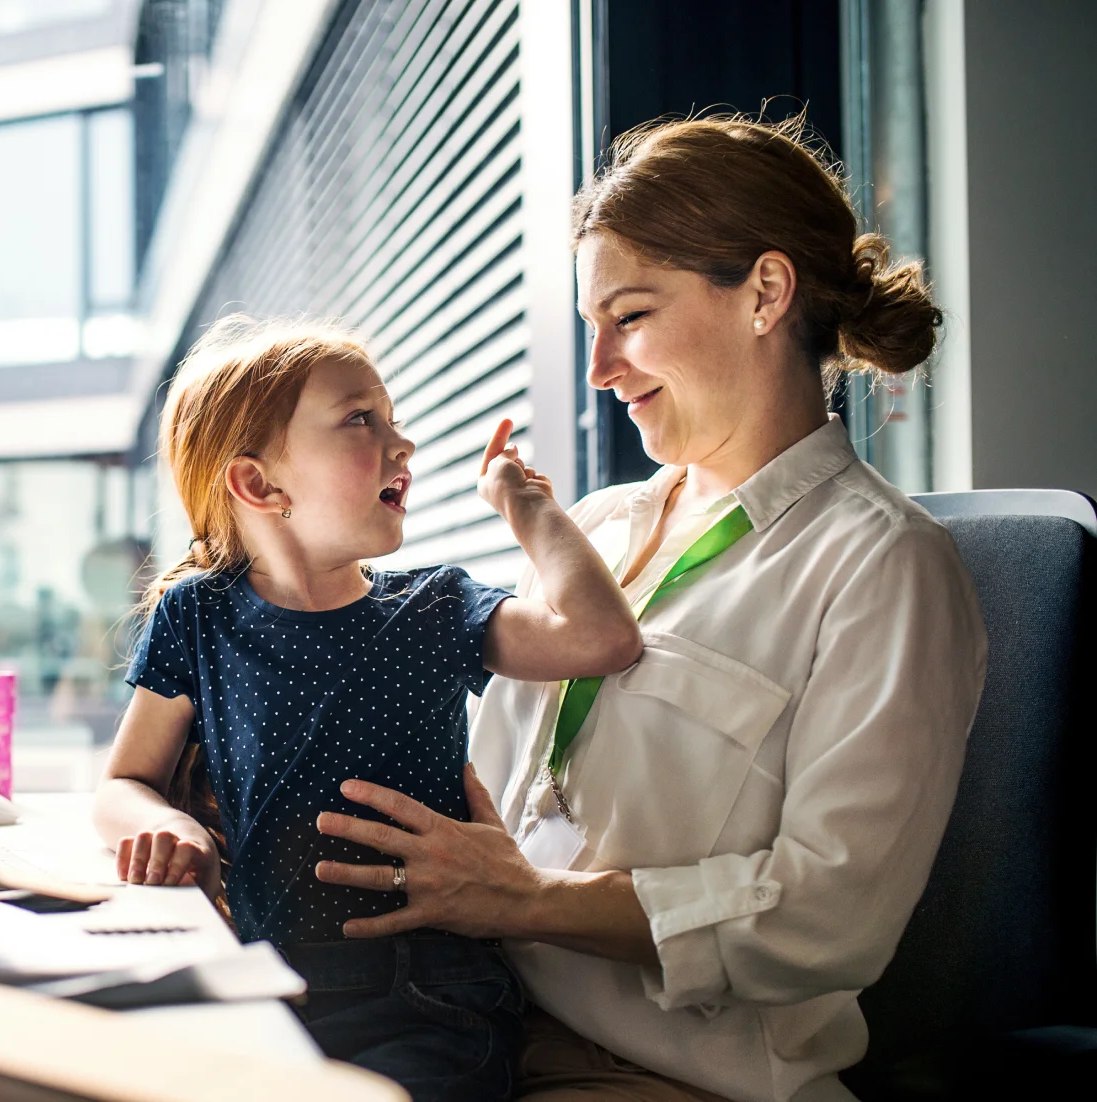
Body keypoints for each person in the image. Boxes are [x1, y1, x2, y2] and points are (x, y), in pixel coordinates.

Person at [311, 116, 988, 1102]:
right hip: (463, 1018)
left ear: (764, 293)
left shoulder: (883, 568)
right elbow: (496, 802)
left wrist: (530, 899)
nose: (598, 369)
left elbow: (823, 917)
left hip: (652, 1073)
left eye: (626, 318)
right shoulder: (590, 528)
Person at [93, 315, 644, 1102]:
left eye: (392, 418)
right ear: (259, 484)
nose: (402, 443)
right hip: (263, 984)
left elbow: (601, 639)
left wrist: (527, 508)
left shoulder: (438, 607)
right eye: (361, 419)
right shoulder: (196, 617)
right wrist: (168, 828)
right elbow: (123, 783)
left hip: (428, 997)